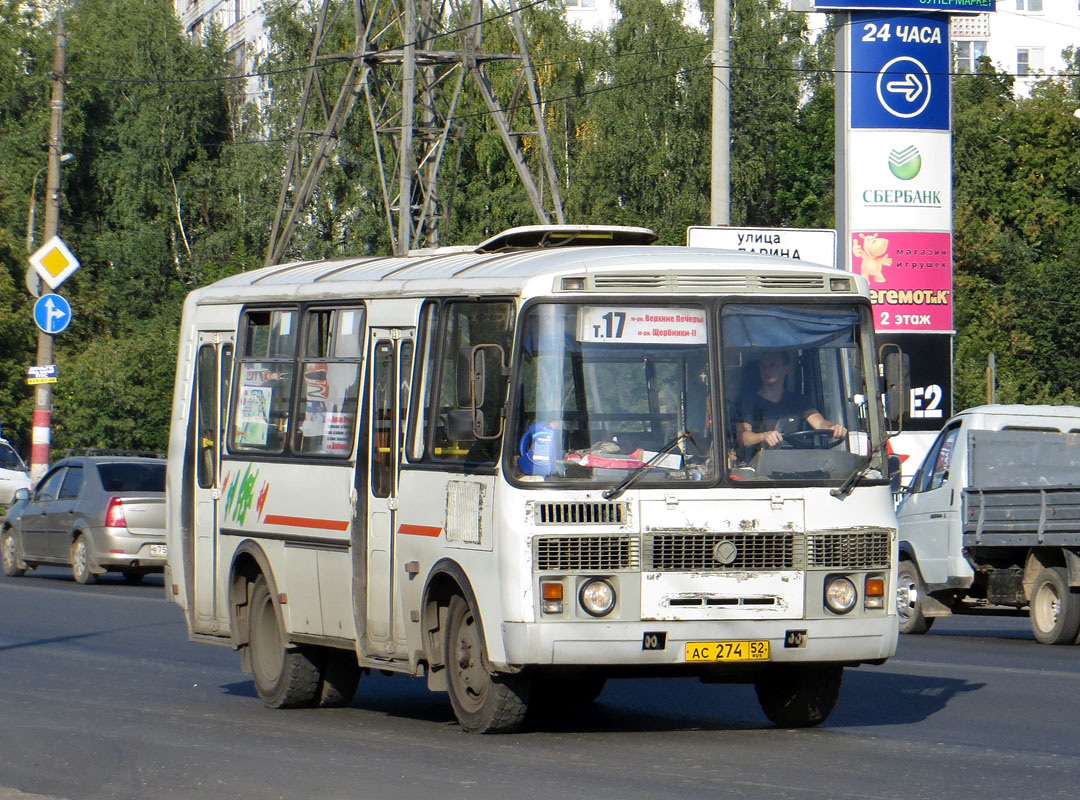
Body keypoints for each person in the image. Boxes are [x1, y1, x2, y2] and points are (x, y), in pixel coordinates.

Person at [734, 350, 846, 451]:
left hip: (797, 464)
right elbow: (742, 437)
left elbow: (820, 424)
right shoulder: (747, 402)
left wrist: (832, 429)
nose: (767, 369)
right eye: (763, 365)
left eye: (772, 364)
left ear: (786, 369)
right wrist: (763, 436)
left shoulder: (799, 401)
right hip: (761, 467)